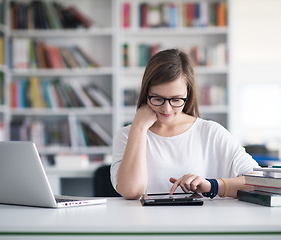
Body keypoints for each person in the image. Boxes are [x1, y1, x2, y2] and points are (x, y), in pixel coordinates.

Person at [110, 49, 259, 200]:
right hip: (145, 223)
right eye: (157, 98)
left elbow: (261, 183)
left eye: (176, 99)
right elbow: (131, 191)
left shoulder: (211, 132)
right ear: (146, 92)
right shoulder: (127, 135)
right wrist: (139, 128)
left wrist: (211, 185)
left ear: (188, 94)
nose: (166, 109)